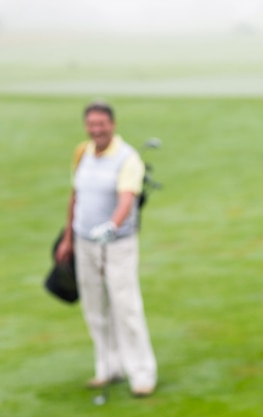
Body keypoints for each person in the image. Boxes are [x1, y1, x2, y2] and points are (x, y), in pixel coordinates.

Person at [55, 101, 157, 397]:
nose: (96, 129)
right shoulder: (82, 152)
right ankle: (108, 367)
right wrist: (67, 237)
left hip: (117, 245)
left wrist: (111, 225)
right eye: (92, 124)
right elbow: (76, 196)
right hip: (84, 242)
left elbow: (126, 198)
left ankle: (141, 373)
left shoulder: (128, 158)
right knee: (94, 306)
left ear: (112, 124)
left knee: (126, 308)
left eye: (102, 124)